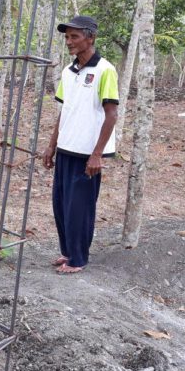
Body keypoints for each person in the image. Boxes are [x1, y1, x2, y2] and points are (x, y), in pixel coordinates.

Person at [42, 15, 119, 274]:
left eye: (75, 36)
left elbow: (111, 115)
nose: (69, 41)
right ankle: (68, 252)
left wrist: (97, 154)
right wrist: (52, 145)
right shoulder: (68, 71)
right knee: (61, 205)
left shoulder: (105, 70)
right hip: (66, 148)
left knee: (80, 209)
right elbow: (65, 111)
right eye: (67, 37)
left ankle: (78, 259)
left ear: (91, 37)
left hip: (87, 154)